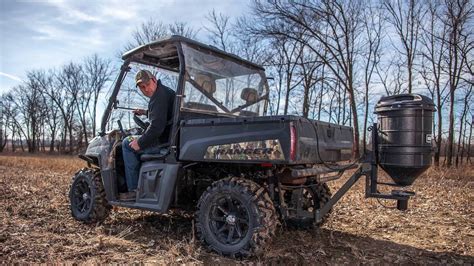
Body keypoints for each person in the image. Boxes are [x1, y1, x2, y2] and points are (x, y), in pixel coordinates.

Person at [120, 69, 176, 200]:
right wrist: (145, 112)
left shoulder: (158, 97)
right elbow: (162, 114)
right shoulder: (166, 92)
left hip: (162, 141)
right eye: (142, 87)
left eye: (147, 84)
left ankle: (134, 190)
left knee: (126, 143)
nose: (146, 89)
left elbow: (156, 128)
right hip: (169, 138)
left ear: (154, 80)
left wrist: (139, 143)